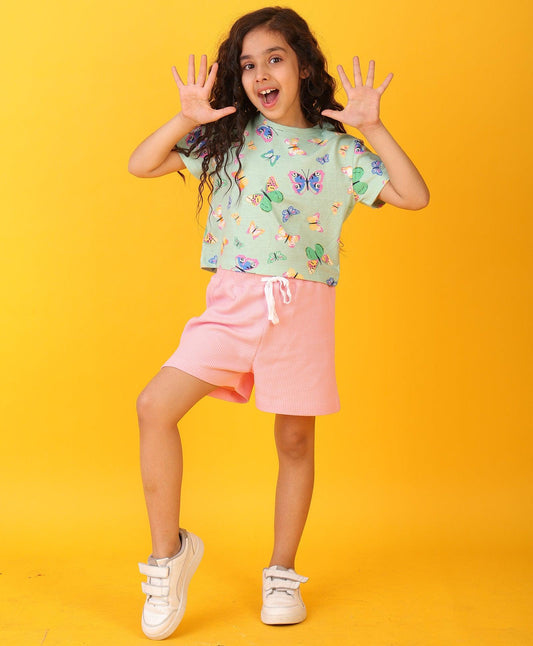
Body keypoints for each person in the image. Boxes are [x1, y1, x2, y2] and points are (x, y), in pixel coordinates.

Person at [128, 6, 429, 640]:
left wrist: (375, 129)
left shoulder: (339, 150)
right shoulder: (225, 137)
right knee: (155, 406)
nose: (261, 74)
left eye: (275, 59)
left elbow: (414, 195)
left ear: (303, 68)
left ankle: (282, 573)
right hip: (232, 303)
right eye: (247, 65)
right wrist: (186, 118)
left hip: (303, 309)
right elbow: (142, 163)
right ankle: (168, 557)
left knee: (294, 442)